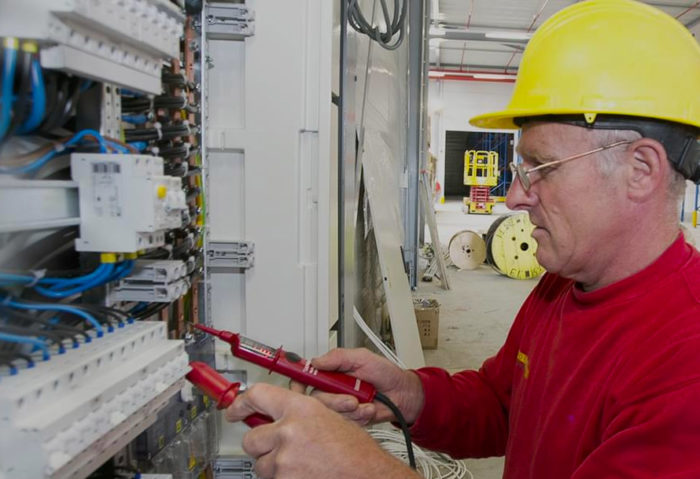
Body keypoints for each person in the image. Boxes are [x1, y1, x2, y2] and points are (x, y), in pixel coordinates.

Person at [225, 0, 700, 477]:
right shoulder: (563, 283)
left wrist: (366, 469)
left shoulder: (686, 359)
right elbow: (501, 403)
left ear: (640, 170)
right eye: (520, 169)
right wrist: (408, 393)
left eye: (541, 169)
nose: (515, 197)